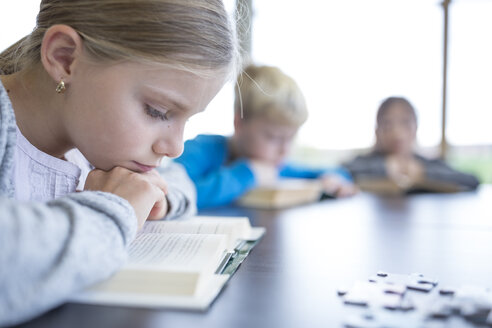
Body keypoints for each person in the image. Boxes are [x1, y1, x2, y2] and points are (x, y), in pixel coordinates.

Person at [0, 0, 239, 325]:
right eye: (157, 111)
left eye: (187, 119)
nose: (175, 146)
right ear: (65, 58)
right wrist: (114, 208)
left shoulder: (96, 137)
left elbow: (177, 178)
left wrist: (158, 198)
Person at [174, 64, 357, 209]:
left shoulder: (272, 165)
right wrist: (247, 173)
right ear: (239, 124)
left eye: (290, 138)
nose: (284, 150)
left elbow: (320, 172)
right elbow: (175, 193)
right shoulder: (201, 149)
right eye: (274, 137)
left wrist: (335, 177)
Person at [343, 96, 480, 193]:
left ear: (415, 127)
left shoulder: (427, 164)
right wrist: (384, 168)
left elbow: (472, 180)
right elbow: (340, 172)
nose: (397, 132)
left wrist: (422, 172)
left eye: (405, 123)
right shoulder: (363, 163)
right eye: (387, 124)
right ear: (377, 131)